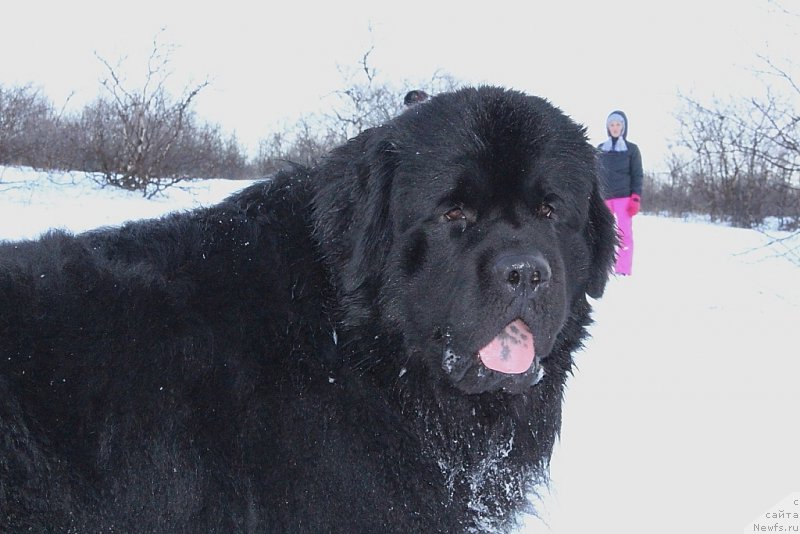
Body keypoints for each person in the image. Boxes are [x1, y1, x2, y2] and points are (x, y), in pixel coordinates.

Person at [597, 110, 643, 276]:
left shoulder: (632, 150)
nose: (615, 128)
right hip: (604, 198)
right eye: (612, 124)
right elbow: (595, 173)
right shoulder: (601, 149)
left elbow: (637, 174)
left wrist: (635, 197)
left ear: (623, 127)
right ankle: (602, 267)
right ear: (608, 127)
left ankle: (623, 269)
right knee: (602, 233)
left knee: (624, 235)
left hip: (624, 198)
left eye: (618, 124)